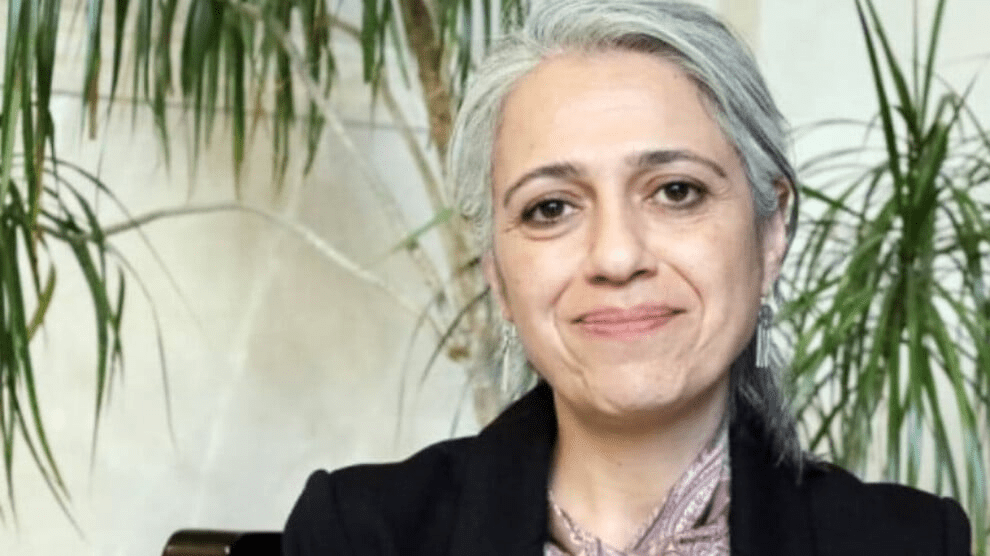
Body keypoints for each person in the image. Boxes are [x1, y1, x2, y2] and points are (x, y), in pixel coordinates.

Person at [282, 1, 972, 554]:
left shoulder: (909, 542)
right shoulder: (358, 534)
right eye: (550, 208)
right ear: (496, 270)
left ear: (770, 234)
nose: (616, 257)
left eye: (676, 191)